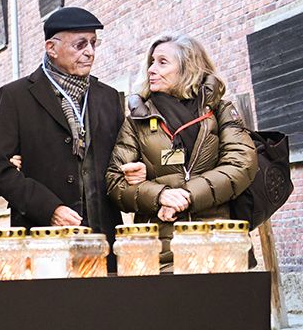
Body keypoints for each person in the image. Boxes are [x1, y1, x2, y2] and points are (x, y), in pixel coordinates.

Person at [106, 33, 257, 262]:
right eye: (151, 62)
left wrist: (188, 194)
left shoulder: (219, 111)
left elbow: (241, 164)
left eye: (162, 62)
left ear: (188, 68)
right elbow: (115, 182)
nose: (151, 69)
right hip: (160, 251)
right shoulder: (137, 121)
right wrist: (160, 195)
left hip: (220, 244)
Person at [0, 6, 127, 248]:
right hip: (43, 238)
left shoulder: (109, 96)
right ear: (51, 48)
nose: (90, 52)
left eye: (94, 43)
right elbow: (1, 171)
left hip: (104, 237)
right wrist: (49, 209)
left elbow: (119, 161)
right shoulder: (15, 97)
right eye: (80, 45)